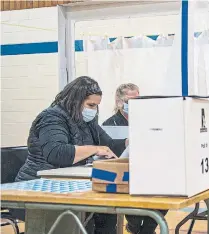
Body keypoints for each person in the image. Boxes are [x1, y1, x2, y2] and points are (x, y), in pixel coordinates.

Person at [15, 76, 127, 234]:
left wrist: (128, 143)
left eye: (96, 106)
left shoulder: (86, 121)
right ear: (76, 100)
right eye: (90, 105)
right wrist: (94, 149)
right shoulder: (51, 117)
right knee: (89, 217)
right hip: (38, 186)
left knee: (107, 213)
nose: (93, 110)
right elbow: (57, 153)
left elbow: (108, 145)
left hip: (67, 184)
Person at [103, 83, 168, 234]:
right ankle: (137, 228)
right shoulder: (109, 124)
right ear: (119, 102)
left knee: (166, 194)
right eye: (129, 101)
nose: (134, 104)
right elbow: (109, 150)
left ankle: (146, 229)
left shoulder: (149, 121)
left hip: (149, 170)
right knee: (135, 211)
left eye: (138, 100)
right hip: (125, 173)